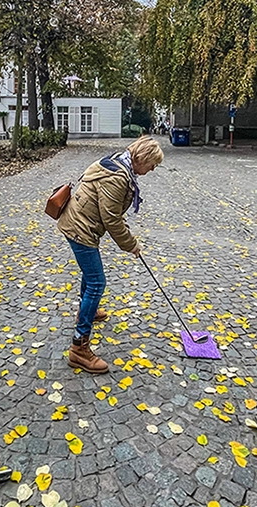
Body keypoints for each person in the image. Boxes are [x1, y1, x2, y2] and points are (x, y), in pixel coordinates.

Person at [57, 136, 164, 374]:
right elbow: (112, 219)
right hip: (80, 227)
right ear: (141, 158)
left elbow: (111, 212)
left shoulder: (119, 163)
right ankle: (79, 347)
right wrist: (131, 245)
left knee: (90, 274)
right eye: (152, 164)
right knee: (97, 281)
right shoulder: (118, 177)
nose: (152, 169)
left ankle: (88, 311)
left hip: (80, 223)